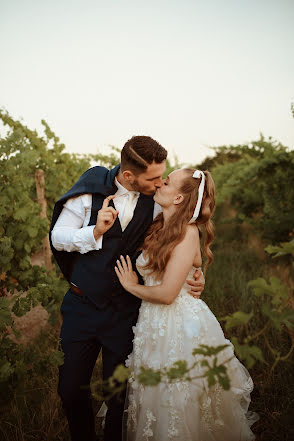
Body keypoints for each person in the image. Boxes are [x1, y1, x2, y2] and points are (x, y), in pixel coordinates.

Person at [49, 136, 205, 441]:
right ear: (128, 174)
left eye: (163, 176)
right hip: (82, 306)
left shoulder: (159, 203)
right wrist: (93, 231)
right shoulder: (89, 190)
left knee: (119, 395)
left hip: (126, 309)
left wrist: (194, 274)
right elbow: (57, 237)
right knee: (69, 390)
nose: (160, 183)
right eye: (154, 178)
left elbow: (180, 243)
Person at [115, 168, 258, 441]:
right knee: (153, 397)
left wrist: (131, 285)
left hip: (178, 326)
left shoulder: (187, 233)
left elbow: (169, 293)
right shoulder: (158, 222)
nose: (160, 183)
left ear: (179, 198)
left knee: (178, 399)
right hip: (151, 323)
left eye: (167, 182)